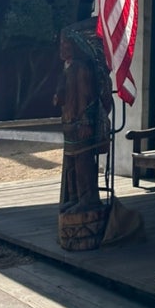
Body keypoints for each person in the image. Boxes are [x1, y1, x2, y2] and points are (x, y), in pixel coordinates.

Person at [54, 20, 113, 214]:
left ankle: (88, 198)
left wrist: (87, 121)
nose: (62, 49)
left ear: (75, 47)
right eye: (61, 45)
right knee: (71, 162)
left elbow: (88, 96)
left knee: (83, 162)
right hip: (69, 121)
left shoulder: (81, 69)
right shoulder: (67, 68)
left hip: (82, 123)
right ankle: (74, 196)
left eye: (66, 45)